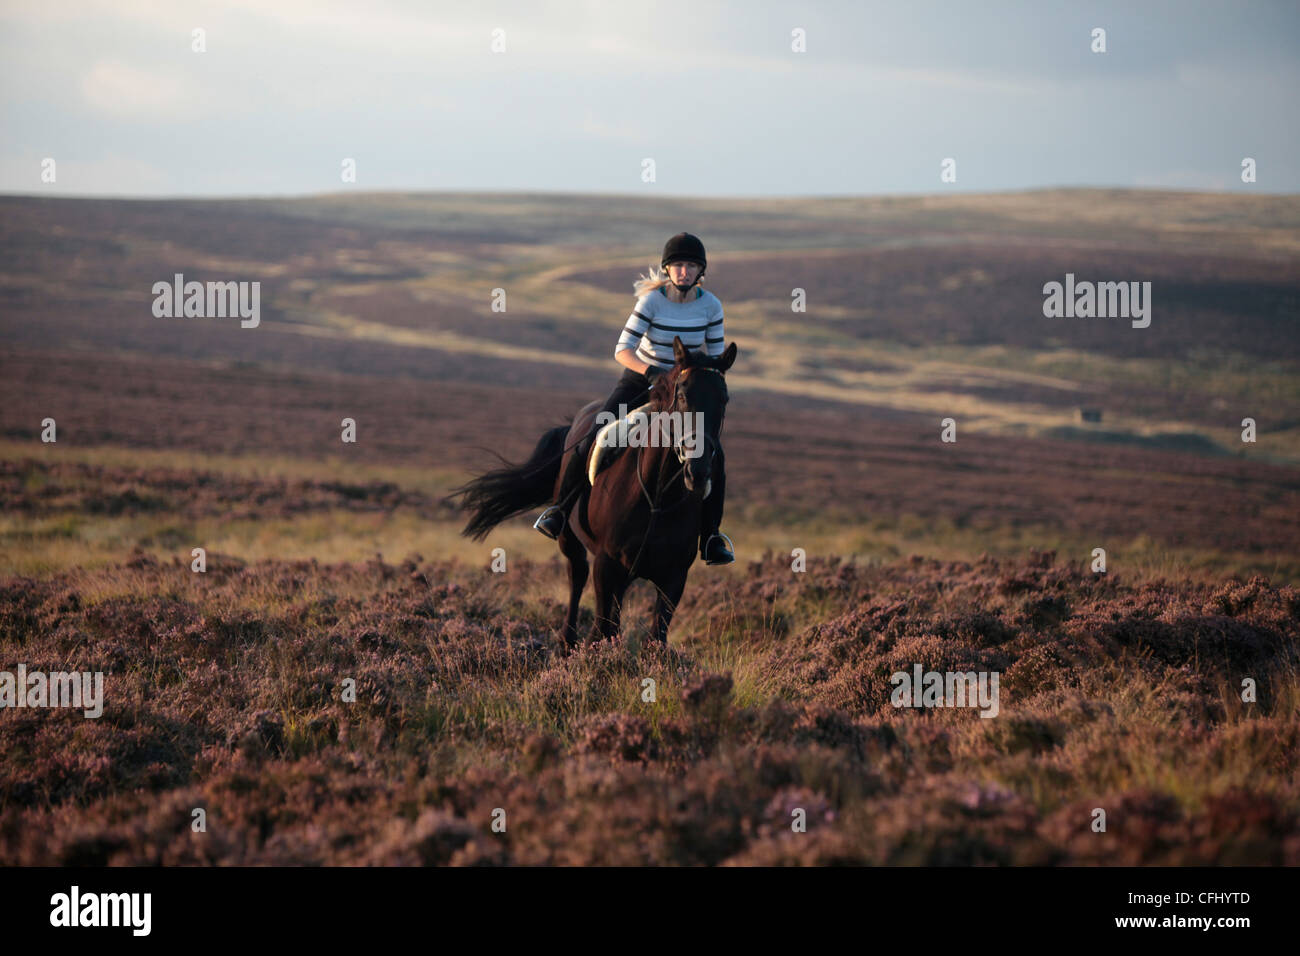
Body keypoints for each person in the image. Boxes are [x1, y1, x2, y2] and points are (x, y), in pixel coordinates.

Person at [533, 232, 734, 565]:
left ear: (701, 272)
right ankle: (559, 510)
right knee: (595, 434)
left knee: (714, 453)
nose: (684, 272)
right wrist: (652, 372)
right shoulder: (651, 303)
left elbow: (713, 358)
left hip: (683, 388)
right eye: (678, 265)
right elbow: (622, 351)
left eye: (691, 266)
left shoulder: (711, 306)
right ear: (667, 269)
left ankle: (711, 537)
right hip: (642, 381)